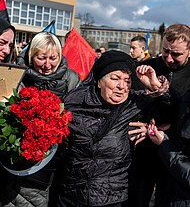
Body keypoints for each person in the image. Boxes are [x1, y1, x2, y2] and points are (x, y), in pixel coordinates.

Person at [52, 50, 172, 207]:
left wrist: (155, 87)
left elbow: (171, 114)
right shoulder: (74, 102)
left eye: (128, 81)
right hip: (70, 196)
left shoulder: (135, 104)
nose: (122, 86)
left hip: (112, 199)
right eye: (115, 79)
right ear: (99, 81)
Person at [0, 31, 81, 207]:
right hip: (23, 163)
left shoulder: (72, 79)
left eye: (53, 58)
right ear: (31, 55)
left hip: (59, 161)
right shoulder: (16, 74)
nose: (47, 65)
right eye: (41, 58)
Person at [128, 23, 190, 207]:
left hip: (174, 155)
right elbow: (131, 105)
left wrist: (158, 89)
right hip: (143, 152)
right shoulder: (145, 67)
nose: (169, 59)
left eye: (176, 54)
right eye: (165, 51)